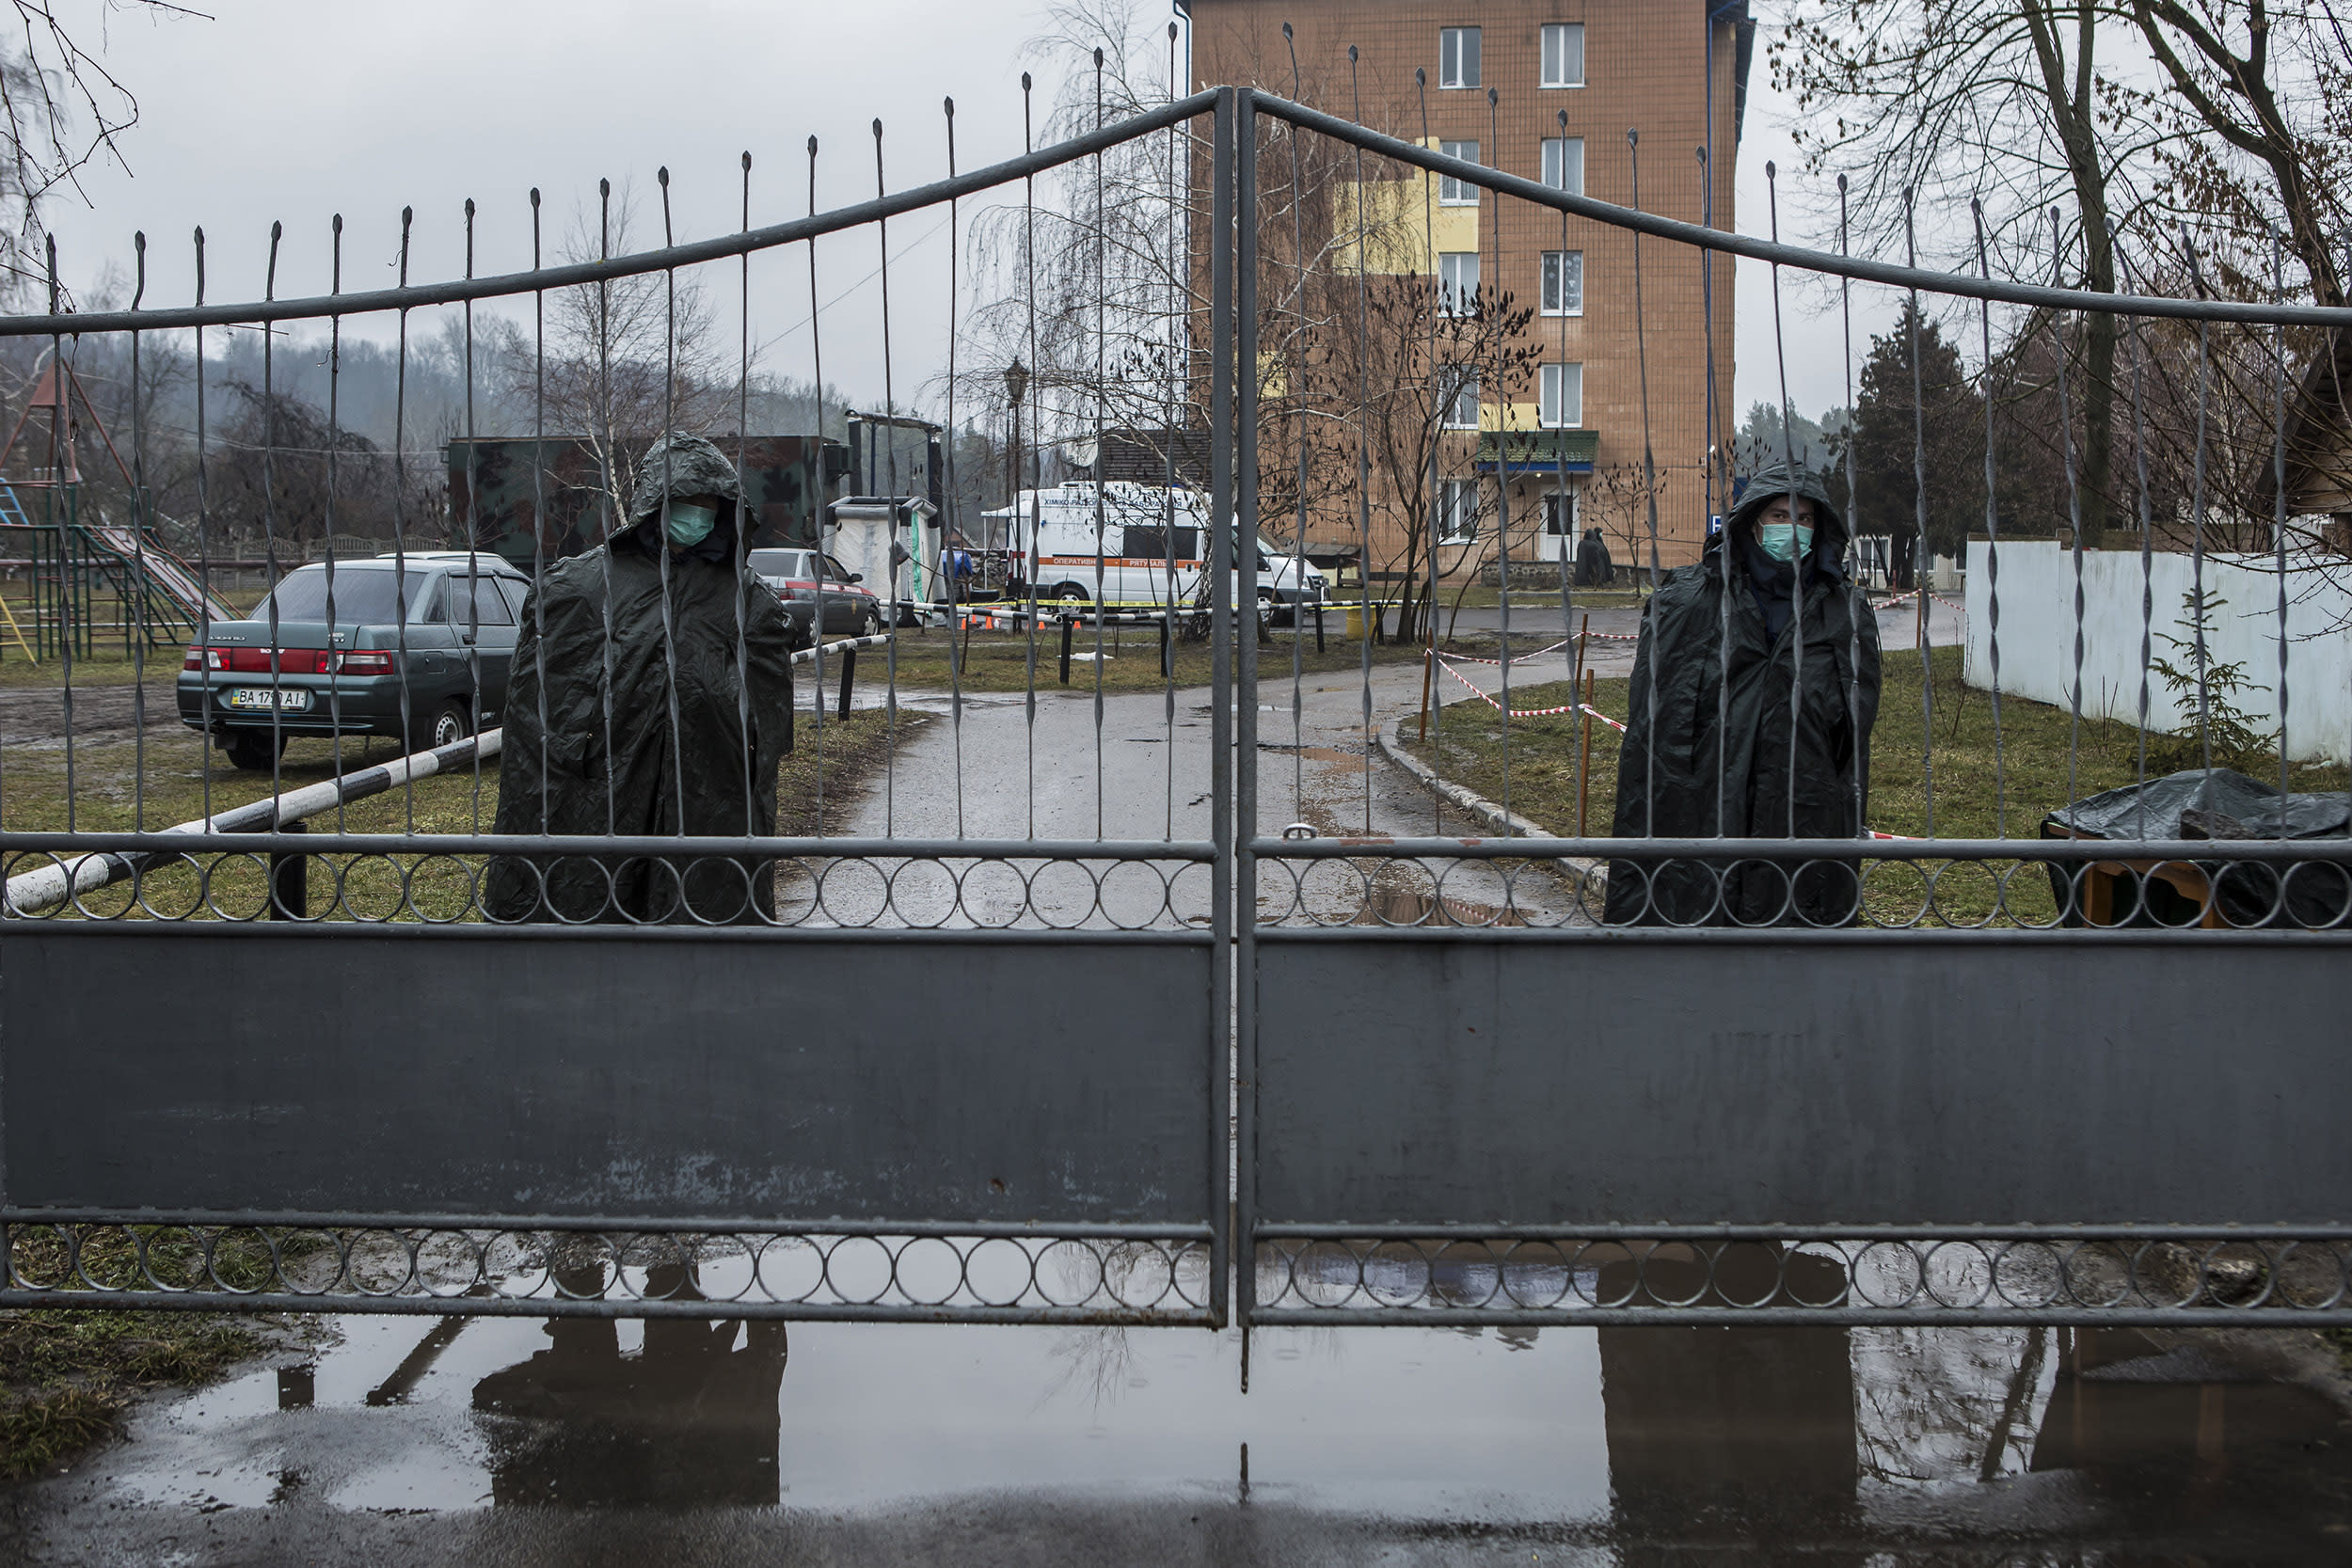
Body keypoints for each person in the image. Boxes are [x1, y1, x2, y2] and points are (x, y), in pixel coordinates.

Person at [486, 432, 803, 924]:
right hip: (598, 786)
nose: (698, 514)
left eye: (709, 504)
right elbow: (537, 715)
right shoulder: (580, 588)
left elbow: (768, 715)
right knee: (593, 902)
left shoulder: (747, 599)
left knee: (698, 910)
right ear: (656, 502)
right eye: (685, 502)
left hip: (709, 787)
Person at [1602, 461, 1881, 926]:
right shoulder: (1688, 599)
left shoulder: (1843, 613)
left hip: (1801, 807)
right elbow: (1655, 723)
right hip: (1704, 804)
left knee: (1790, 943)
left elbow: (1853, 730)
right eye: (1778, 515)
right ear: (1753, 520)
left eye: (1805, 518)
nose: (1792, 528)